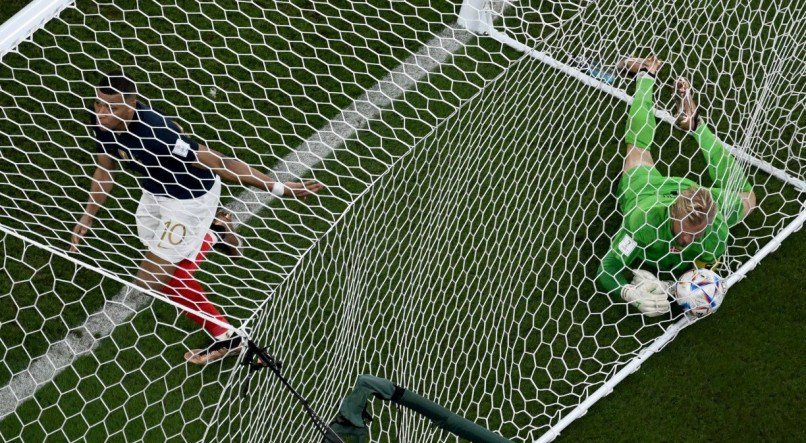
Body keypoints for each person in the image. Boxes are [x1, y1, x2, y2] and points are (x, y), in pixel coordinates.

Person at [70, 71, 323, 363]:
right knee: (166, 267)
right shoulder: (101, 122)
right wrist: (87, 217)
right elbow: (105, 168)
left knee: (153, 280)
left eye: (111, 107)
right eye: (98, 104)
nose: (102, 113)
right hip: (155, 194)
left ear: (132, 103)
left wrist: (278, 187)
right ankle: (215, 231)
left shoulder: (158, 132)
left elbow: (218, 162)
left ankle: (230, 339)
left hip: (190, 199)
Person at [597, 56, 757, 317]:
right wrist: (628, 293)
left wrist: (675, 286)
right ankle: (646, 75)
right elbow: (608, 267)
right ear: (673, 213)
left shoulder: (715, 232)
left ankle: (695, 125)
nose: (688, 240)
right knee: (637, 148)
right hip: (646, 190)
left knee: (749, 199)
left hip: (692, 191)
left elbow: (704, 268)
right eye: (686, 232)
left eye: (697, 234)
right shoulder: (642, 221)